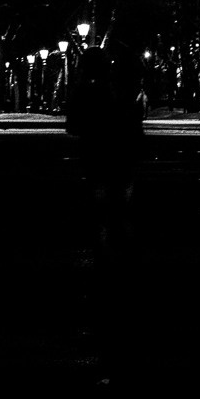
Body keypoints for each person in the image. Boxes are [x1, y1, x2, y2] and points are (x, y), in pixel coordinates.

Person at [66, 43, 144, 255]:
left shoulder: (82, 92)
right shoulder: (119, 91)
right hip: (121, 157)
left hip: (95, 155)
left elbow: (72, 125)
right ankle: (122, 249)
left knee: (100, 205)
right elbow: (133, 126)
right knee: (121, 208)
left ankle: (104, 248)